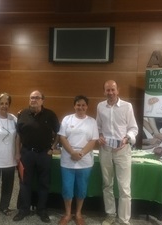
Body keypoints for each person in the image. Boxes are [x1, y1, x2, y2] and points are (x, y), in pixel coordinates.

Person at [13, 90, 60, 223]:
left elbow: (59, 132)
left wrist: (52, 147)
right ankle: (24, 209)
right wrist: (17, 152)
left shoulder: (50, 115)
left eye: (36, 98)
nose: (33, 100)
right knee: (24, 182)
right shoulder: (22, 114)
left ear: (42, 100)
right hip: (26, 154)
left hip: (44, 154)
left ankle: (42, 210)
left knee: (44, 183)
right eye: (31, 97)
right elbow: (18, 136)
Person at [96, 80, 138, 225]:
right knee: (107, 184)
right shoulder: (100, 106)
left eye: (113, 90)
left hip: (122, 151)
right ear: (104, 91)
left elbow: (133, 128)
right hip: (106, 150)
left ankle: (124, 220)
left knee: (124, 187)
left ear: (117, 90)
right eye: (107, 90)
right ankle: (110, 215)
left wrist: (127, 138)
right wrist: (99, 136)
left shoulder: (127, 106)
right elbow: (98, 127)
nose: (110, 93)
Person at [58, 95, 99, 225]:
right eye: (78, 105)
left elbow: (93, 140)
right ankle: (68, 213)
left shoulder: (92, 121)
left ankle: (79, 213)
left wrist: (80, 153)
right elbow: (62, 137)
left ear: (87, 107)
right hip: (68, 160)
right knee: (67, 188)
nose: (80, 107)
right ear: (74, 106)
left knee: (81, 188)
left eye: (83, 105)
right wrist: (72, 152)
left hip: (85, 160)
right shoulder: (67, 119)